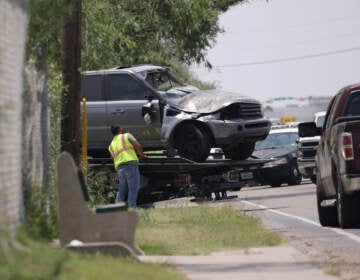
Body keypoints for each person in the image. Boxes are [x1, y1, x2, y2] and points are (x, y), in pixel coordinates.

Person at [109, 125, 147, 210]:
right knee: (133, 188)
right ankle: (131, 209)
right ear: (119, 129)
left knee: (122, 189)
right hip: (130, 164)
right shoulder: (127, 135)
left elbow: (113, 157)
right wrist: (142, 155)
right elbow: (138, 146)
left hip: (119, 168)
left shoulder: (111, 145)